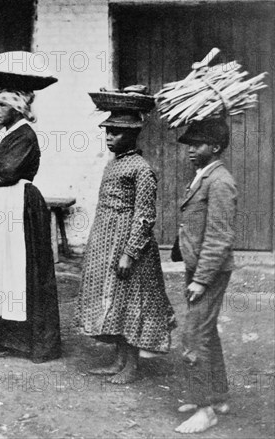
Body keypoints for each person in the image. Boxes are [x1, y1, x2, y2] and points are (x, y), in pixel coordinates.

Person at [76, 110, 175, 383]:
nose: (109, 136)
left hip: (129, 249)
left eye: (116, 132)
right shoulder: (114, 164)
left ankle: (132, 366)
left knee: (132, 304)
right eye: (107, 130)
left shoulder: (141, 168)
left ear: (131, 136)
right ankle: (118, 360)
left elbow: (144, 216)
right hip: (107, 243)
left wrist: (130, 254)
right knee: (115, 303)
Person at [0, 89, 61, 363]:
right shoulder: (1, 135)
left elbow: (7, 173)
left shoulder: (25, 134)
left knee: (16, 268)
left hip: (16, 206)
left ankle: (18, 337)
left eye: (1, 105)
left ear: (17, 108)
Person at [174, 118, 237, 434]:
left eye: (196, 145)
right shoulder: (203, 176)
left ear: (215, 147)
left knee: (194, 335)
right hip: (196, 267)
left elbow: (219, 236)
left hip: (208, 272)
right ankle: (219, 395)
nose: (190, 150)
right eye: (189, 145)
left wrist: (201, 278)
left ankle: (204, 409)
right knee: (207, 331)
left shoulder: (220, 182)